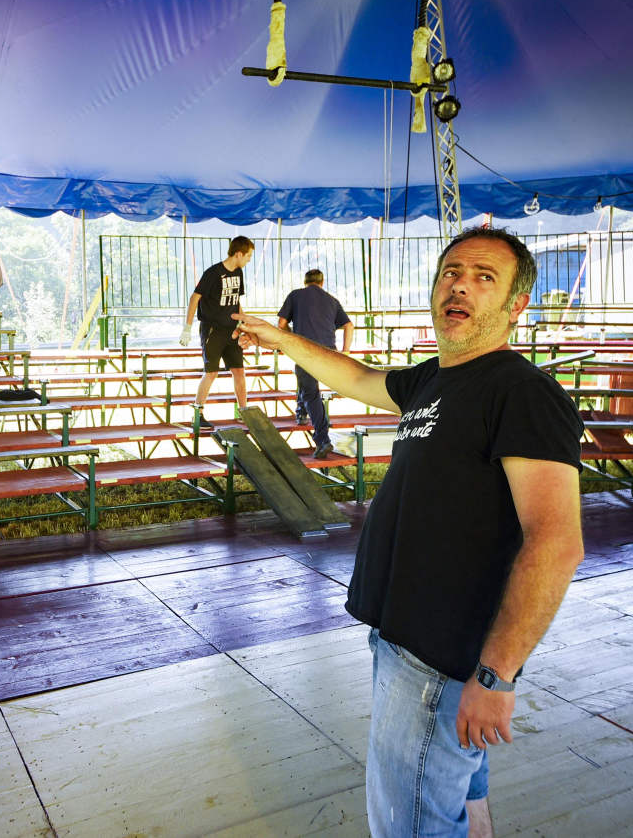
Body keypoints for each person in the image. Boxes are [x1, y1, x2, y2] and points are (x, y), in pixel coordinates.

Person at [233, 226, 583, 837]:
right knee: (459, 801)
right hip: (405, 643)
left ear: (516, 306)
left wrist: (497, 675)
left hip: (441, 661)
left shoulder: (520, 391)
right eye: (452, 271)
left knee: (411, 823)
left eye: (484, 278)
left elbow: (556, 541)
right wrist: (279, 337)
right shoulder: (435, 381)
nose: (461, 286)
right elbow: (358, 379)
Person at [277, 268, 354, 458]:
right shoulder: (331, 300)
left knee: (311, 392)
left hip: (305, 350)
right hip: (329, 353)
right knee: (305, 382)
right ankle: (301, 412)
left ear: (305, 282)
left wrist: (290, 336)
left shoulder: (295, 295)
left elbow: (280, 323)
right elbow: (349, 325)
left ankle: (323, 440)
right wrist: (346, 351)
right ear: (322, 282)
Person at [180, 236, 255, 428]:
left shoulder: (238, 273)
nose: (249, 260)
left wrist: (243, 324)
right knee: (211, 372)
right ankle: (198, 412)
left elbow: (236, 300)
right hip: (212, 329)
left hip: (232, 330)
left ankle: (244, 411)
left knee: (239, 370)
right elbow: (194, 298)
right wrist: (187, 327)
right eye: (248, 256)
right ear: (238, 253)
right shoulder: (213, 273)